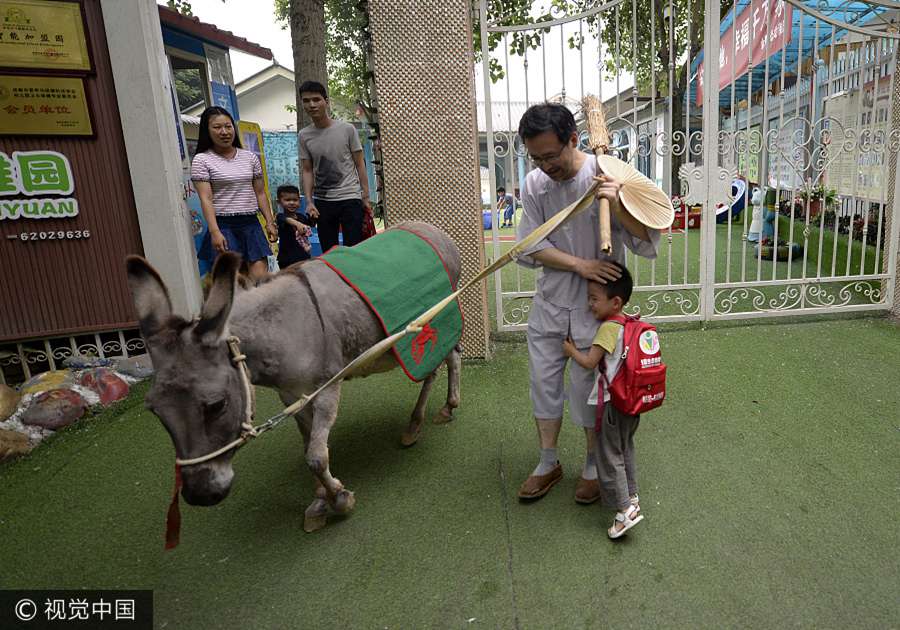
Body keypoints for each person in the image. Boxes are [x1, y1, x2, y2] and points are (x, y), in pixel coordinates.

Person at [514, 102, 660, 505]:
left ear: (573, 140)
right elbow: (528, 248)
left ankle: (594, 465)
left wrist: (617, 204)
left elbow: (646, 243)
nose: (545, 165)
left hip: (596, 309)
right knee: (543, 382)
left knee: (588, 389)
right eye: (536, 157)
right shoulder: (534, 186)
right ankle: (547, 462)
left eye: (552, 155)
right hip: (551, 301)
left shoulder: (606, 175)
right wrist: (581, 265)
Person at [562, 265, 644, 539]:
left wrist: (570, 349)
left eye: (594, 298)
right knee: (625, 449)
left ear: (615, 302)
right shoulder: (628, 322)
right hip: (633, 404)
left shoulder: (608, 329)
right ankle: (632, 497)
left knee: (609, 457)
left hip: (612, 404)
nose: (590, 303)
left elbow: (589, 362)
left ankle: (624, 511)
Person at [191, 106, 277, 281]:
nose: (224, 132)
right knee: (235, 283)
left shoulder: (250, 157)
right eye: (217, 127)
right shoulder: (202, 160)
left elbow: (260, 193)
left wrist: (269, 222)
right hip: (224, 226)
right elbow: (205, 199)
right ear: (207, 131)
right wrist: (215, 231)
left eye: (228, 126)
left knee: (260, 278)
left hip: (251, 224)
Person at [298, 80, 371, 253]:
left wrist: (365, 196)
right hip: (323, 201)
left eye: (316, 99)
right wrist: (309, 202)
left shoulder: (347, 129)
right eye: (306, 101)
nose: (312, 104)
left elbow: (360, 164)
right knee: (329, 252)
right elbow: (307, 170)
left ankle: (355, 280)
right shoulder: (304, 135)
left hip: (350, 197)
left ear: (326, 101)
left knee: (354, 249)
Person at [274, 184, 315, 269]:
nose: (292, 203)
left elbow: (311, 224)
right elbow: (286, 220)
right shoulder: (280, 216)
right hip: (286, 259)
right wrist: (298, 224)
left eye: (295, 200)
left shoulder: (301, 217)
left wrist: (312, 215)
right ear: (279, 202)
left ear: (299, 201)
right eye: (287, 200)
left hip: (303, 257)